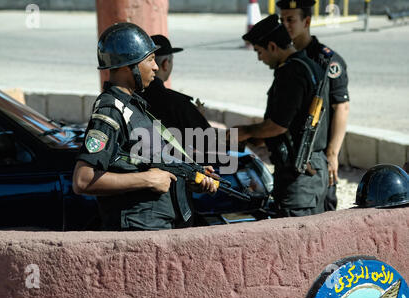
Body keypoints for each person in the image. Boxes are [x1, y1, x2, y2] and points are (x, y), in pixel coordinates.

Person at [72, 22, 217, 231]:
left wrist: (190, 176)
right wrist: (147, 180)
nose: (156, 66)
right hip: (137, 232)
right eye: (149, 60)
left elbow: (147, 164)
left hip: (156, 228)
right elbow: (82, 180)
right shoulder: (110, 110)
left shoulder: (135, 107)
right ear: (126, 66)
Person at [233, 14, 329, 217]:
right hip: (311, 169)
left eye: (260, 52)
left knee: (298, 236)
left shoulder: (291, 72)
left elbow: (278, 125)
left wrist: (244, 132)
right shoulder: (308, 65)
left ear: (273, 46)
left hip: (299, 174)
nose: (260, 58)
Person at [277, 0, 350, 211]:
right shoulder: (286, 59)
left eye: (291, 20)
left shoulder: (327, 60)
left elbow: (341, 107)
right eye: (282, 20)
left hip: (317, 155)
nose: (285, 25)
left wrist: (332, 154)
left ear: (306, 21)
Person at [138, 34, 212, 161]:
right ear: (166, 64)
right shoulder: (176, 102)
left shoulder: (128, 98)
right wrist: (197, 115)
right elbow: (209, 142)